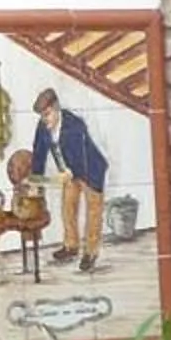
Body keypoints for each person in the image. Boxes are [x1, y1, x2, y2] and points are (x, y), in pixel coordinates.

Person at [29, 87, 109, 273]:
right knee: (68, 207)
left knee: (93, 213)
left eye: (47, 114)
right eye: (42, 116)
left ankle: (90, 253)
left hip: (91, 170)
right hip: (70, 171)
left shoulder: (76, 126)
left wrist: (70, 174)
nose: (44, 119)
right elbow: (39, 153)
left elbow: (81, 157)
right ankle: (71, 246)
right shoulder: (43, 127)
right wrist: (35, 181)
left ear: (56, 109)